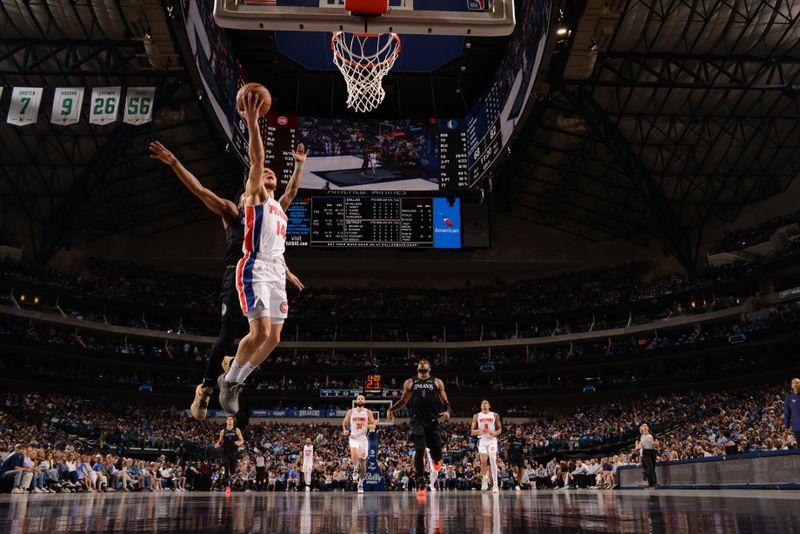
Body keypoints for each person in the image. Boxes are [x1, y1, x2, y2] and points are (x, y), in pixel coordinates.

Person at [148, 141, 304, 421]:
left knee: (268, 336)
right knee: (229, 333)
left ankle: (234, 372)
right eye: (248, 194)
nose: (253, 193)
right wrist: (175, 163)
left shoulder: (272, 211)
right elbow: (200, 190)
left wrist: (285, 270)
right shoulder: (234, 212)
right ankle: (207, 387)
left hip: (266, 274)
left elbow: (274, 242)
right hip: (238, 273)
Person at [217, 90, 308, 414]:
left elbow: (293, 190)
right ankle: (230, 379)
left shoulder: (279, 206)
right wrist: (253, 124)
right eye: (265, 173)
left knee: (274, 339)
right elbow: (256, 161)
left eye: (273, 173)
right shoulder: (255, 196)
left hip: (274, 270)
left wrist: (298, 166)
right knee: (261, 332)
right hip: (253, 267)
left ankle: (236, 378)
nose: (268, 173)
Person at [387, 359, 451, 496]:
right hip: (417, 420)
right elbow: (403, 401)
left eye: (425, 362)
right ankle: (421, 481)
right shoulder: (410, 382)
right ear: (417, 368)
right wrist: (391, 410)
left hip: (433, 420)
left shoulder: (437, 382)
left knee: (437, 454)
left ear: (429, 367)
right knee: (420, 448)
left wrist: (447, 411)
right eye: (420, 362)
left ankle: (436, 459)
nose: (422, 363)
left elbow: (446, 402)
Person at [342, 394, 376, 494]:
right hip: (353, 436)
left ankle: (360, 484)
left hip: (363, 438)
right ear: (356, 401)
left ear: (364, 402)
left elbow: (374, 425)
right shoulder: (351, 411)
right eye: (358, 398)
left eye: (362, 398)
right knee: (354, 452)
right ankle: (355, 468)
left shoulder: (368, 412)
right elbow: (344, 422)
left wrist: (367, 425)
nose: (360, 399)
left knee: (363, 463)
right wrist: (344, 429)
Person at [472, 400, 502, 493]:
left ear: (489, 405)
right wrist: (481, 430)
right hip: (482, 441)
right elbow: (472, 432)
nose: (484, 404)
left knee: (493, 460)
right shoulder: (476, 416)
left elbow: (500, 429)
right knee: (484, 461)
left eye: (486, 403)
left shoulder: (495, 415)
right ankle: (484, 479)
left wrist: (495, 432)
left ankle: (495, 485)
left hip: (492, 440)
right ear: (481, 406)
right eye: (482, 403)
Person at [214, 416, 244, 493]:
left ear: (233, 422)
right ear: (226, 421)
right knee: (226, 465)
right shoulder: (223, 431)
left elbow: (242, 440)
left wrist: (239, 443)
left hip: (233, 452)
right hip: (225, 452)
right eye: (229, 419)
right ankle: (227, 486)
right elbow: (220, 442)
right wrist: (217, 444)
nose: (230, 420)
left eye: (231, 419)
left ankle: (232, 472)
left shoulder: (236, 430)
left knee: (232, 470)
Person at [636, 423, 658, 489]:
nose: (645, 427)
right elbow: (636, 446)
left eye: (646, 426)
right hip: (644, 452)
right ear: (641, 428)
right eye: (643, 426)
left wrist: (653, 443)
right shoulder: (639, 436)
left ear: (648, 427)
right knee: (650, 467)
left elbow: (657, 444)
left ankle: (654, 484)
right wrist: (640, 446)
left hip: (652, 451)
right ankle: (649, 482)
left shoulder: (652, 435)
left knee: (653, 468)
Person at [506, 427, 526, 491]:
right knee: (515, 469)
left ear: (521, 432)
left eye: (519, 430)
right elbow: (507, 445)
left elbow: (525, 448)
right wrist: (506, 452)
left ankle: (518, 483)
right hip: (512, 455)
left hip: (520, 456)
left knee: (521, 470)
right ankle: (515, 479)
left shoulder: (523, 439)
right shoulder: (511, 438)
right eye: (517, 430)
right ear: (515, 431)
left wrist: (525, 450)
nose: (518, 431)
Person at [783, 377, 800, 447]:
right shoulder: (788, 398)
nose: (795, 384)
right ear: (791, 386)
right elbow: (787, 414)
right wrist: (786, 428)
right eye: (793, 383)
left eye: (797, 383)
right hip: (797, 428)